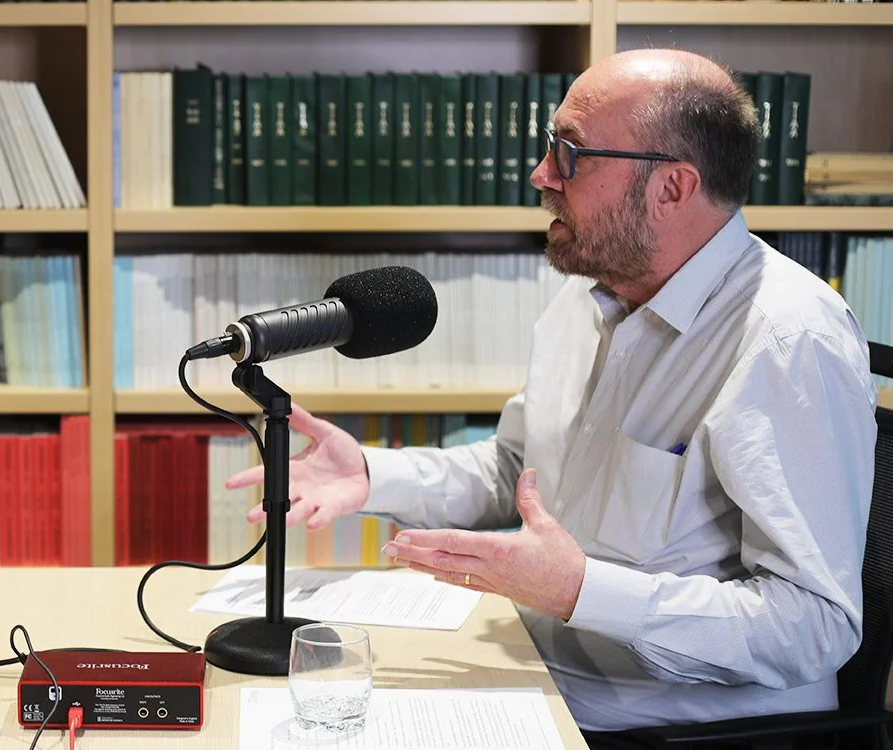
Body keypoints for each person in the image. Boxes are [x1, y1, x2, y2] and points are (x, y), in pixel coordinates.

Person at [228, 49, 877, 748]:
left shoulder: (788, 339)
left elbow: (816, 626)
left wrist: (581, 591)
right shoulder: (588, 296)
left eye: (571, 153)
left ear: (672, 188)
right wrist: (371, 474)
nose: (541, 174)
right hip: (537, 674)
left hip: (668, 729)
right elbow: (518, 471)